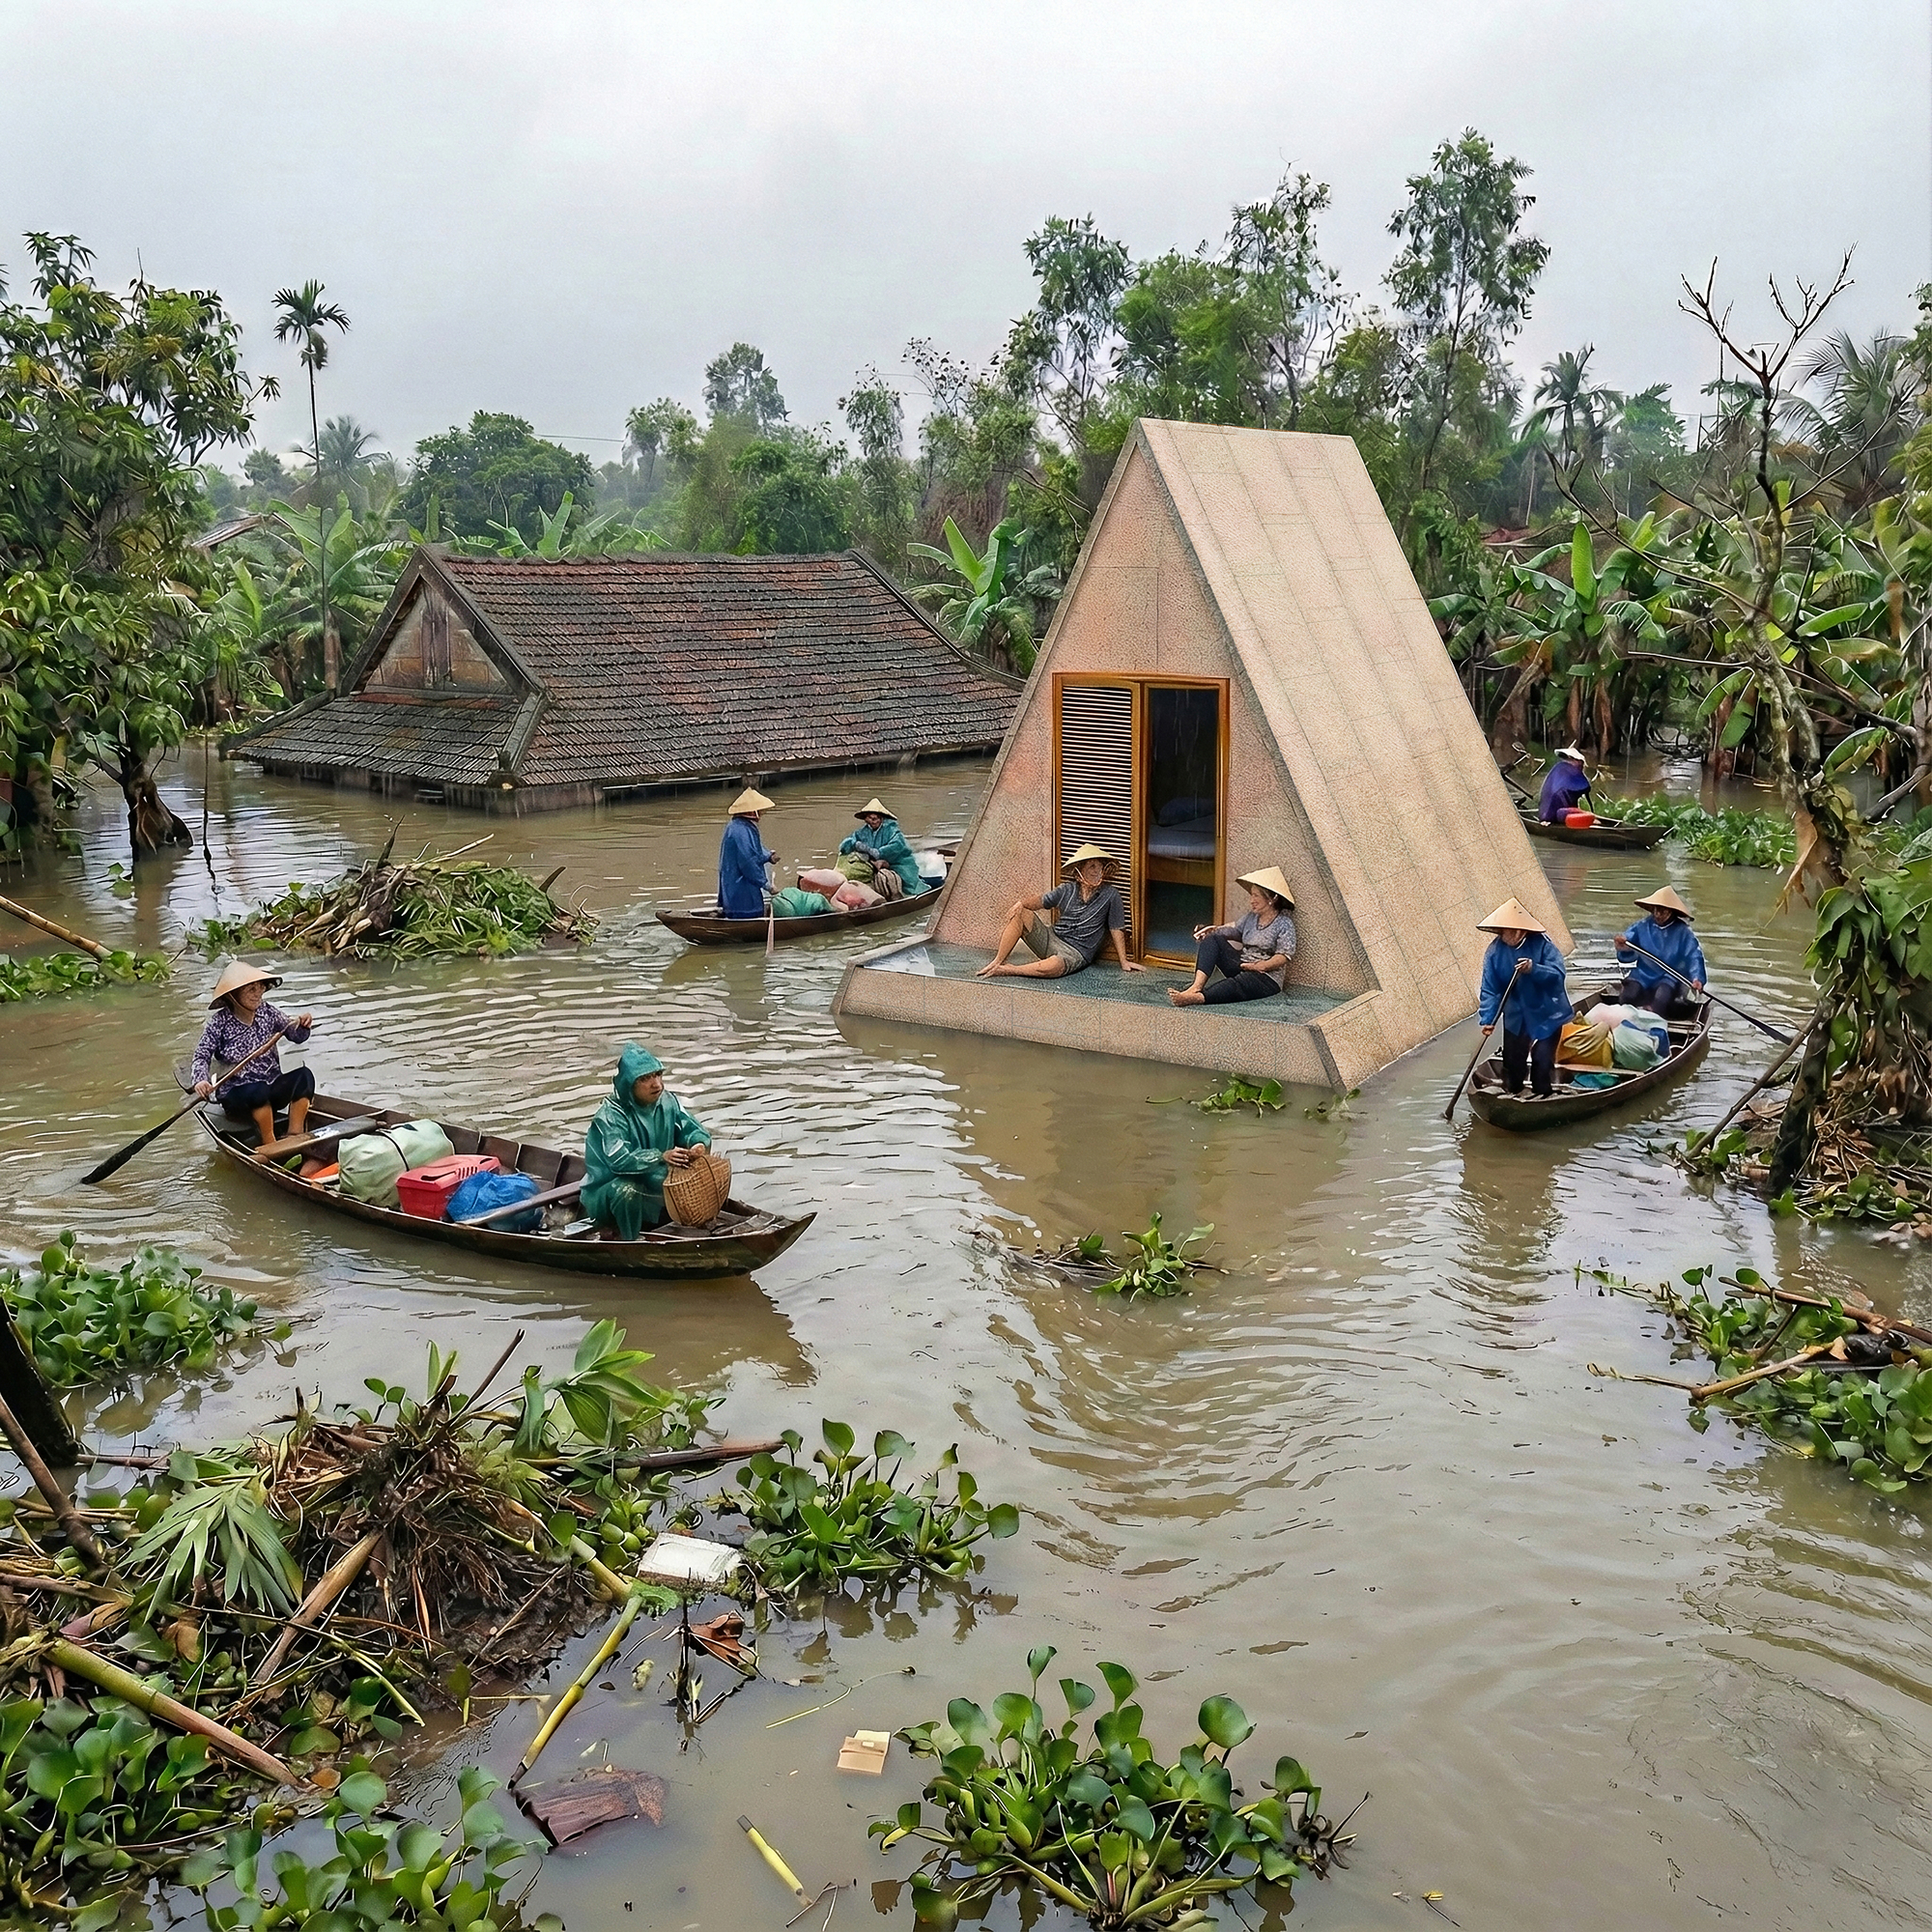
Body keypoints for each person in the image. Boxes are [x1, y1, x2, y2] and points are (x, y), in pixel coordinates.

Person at [581, 1043, 714, 1238]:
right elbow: (619, 1161)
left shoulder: (668, 1102)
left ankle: (677, 1222)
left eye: (658, 1075)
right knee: (627, 1190)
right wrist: (660, 1156)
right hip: (608, 1188)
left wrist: (697, 1144)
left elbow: (692, 1129)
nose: (656, 1084)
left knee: (693, 1176)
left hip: (654, 1177)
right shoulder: (611, 1115)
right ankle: (630, 1239)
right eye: (645, 1079)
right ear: (629, 1083)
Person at [191, 962, 315, 1150]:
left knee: (304, 1077)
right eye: (251, 989)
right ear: (234, 995)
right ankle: (270, 1142)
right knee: (257, 1090)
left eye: (260, 987)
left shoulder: (268, 1012)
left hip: (270, 1088)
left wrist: (304, 1025)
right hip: (237, 1095)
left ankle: (294, 1134)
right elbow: (202, 1055)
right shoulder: (219, 1022)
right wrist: (200, 1081)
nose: (258, 993)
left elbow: (295, 1035)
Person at [976, 844, 1145, 980]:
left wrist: (1123, 961)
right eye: (1092, 866)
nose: (1097, 871)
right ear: (1079, 873)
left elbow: (1116, 928)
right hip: (1051, 938)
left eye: (1099, 867)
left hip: (1075, 952)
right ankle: (998, 961)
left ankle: (1011, 970)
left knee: (1054, 966)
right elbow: (1040, 901)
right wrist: (1020, 904)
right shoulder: (1067, 889)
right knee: (1021, 913)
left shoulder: (1111, 895)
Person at [1476, 896, 1571, 1098]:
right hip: (1516, 1014)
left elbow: (1557, 976)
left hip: (1547, 1012)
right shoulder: (1494, 952)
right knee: (1512, 1062)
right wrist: (1488, 1019)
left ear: (1521, 931)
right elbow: (1490, 989)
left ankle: (1543, 1095)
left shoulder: (1544, 946)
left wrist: (1533, 969)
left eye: (1508, 930)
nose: (1504, 935)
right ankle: (1513, 1092)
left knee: (1542, 1060)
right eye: (1502, 930)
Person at [1169, 867, 1296, 1006]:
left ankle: (1197, 998)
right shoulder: (1251, 918)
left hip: (1265, 978)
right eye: (1251, 895)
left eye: (1256, 896)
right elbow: (1234, 930)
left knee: (1236, 985)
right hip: (1243, 965)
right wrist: (1212, 930)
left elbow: (1284, 956)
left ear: (1272, 899)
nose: (1251, 900)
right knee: (1212, 940)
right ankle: (1196, 987)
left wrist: (1262, 966)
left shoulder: (1284, 923)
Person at [1609, 886, 1705, 1017]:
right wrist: (1623, 948)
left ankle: (1652, 1021)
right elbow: (1627, 949)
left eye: (1663, 911)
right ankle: (1626, 1021)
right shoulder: (1641, 926)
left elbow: (1694, 956)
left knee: (1661, 999)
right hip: (1643, 975)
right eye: (1656, 910)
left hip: (1669, 977)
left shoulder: (1683, 932)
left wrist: (1697, 978)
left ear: (1671, 911)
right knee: (1627, 997)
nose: (1658, 915)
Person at [839, 799, 924, 900]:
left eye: (876, 818)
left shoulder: (892, 830)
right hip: (871, 865)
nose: (873, 821)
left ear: (881, 818)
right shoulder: (862, 832)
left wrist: (879, 853)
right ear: (866, 819)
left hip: (897, 864)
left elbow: (898, 846)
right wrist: (855, 844)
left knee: (908, 885)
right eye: (870, 818)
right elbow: (844, 845)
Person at [718, 788, 777, 919]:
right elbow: (748, 862)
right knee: (748, 912)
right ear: (752, 811)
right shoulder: (741, 831)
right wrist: (766, 885)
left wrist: (768, 856)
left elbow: (755, 850)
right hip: (741, 886)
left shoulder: (738, 826)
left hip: (732, 883)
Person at [1539, 747, 1592, 823]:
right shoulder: (1570, 769)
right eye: (1581, 763)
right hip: (1557, 814)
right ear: (1576, 760)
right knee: (1592, 818)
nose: (1582, 766)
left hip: (1544, 815)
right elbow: (1586, 787)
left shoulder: (1558, 768)